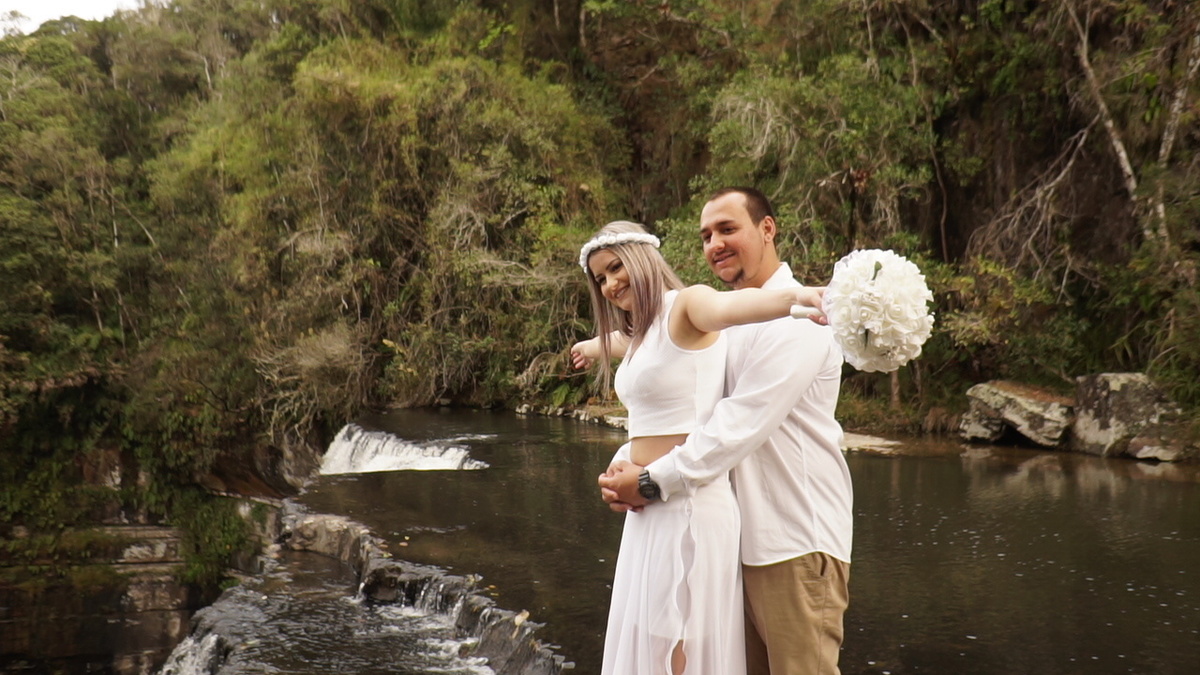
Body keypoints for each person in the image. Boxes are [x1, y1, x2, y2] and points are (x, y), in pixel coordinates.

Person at [598, 187, 853, 675]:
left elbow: (736, 426)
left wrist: (650, 482)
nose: (714, 243)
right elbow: (681, 404)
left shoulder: (799, 324)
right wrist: (628, 462)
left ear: (767, 229)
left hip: (792, 539)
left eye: (728, 229)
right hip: (729, 537)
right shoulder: (725, 321)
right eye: (706, 235)